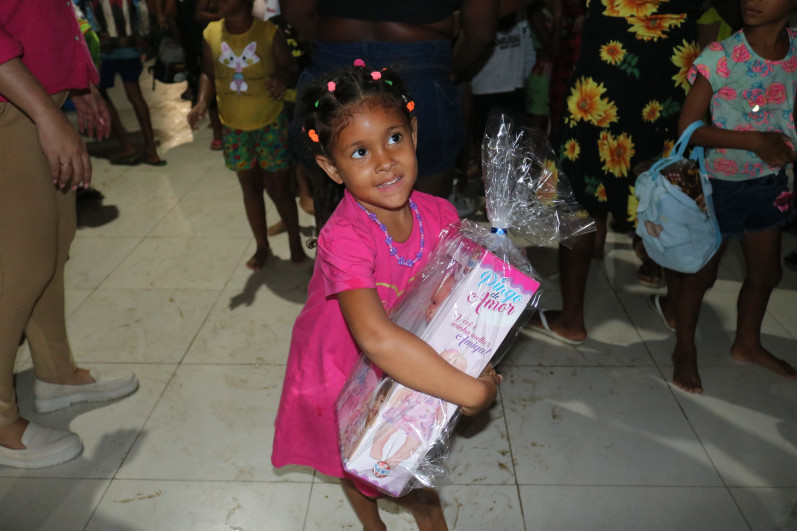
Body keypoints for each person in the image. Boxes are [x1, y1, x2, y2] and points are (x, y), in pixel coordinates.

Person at [271, 63, 501, 530]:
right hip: (340, 363)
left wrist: (475, 353)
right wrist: (469, 390)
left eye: (394, 138)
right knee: (352, 458)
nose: (384, 161)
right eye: (360, 151)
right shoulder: (344, 237)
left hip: (402, 354)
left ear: (413, 132)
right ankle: (372, 525)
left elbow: (451, 302)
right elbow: (375, 338)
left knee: (403, 471)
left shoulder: (441, 214)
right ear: (331, 168)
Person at [0, 0, 139, 468]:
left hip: (34, 97)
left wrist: (76, 84)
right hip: (11, 108)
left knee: (52, 251)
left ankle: (56, 373)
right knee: (18, 271)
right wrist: (46, 114)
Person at [527, 0, 701, 345]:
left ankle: (571, 319)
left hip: (611, 47)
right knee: (669, 184)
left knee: (581, 193)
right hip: (673, 52)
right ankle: (676, 308)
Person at [654, 0, 797, 394]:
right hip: (721, 185)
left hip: (771, 183)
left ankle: (747, 343)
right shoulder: (720, 56)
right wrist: (755, 141)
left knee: (767, 273)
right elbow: (689, 129)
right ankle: (684, 349)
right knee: (702, 274)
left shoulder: (794, 51)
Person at [281, 0, 499, 213]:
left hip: (334, 53)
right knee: (429, 213)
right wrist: (454, 67)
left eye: (395, 138)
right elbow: (480, 31)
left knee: (331, 207)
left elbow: (295, 10)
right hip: (421, 62)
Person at [187, 0, 307, 269]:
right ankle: (262, 245)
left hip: (270, 123)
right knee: (250, 189)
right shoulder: (211, 33)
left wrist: (281, 78)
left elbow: (291, 69)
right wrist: (201, 103)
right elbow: (208, 73)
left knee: (280, 189)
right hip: (234, 126)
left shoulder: (268, 33)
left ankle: (295, 242)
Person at [82, 0, 167, 166]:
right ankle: (151, 149)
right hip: (130, 46)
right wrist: (142, 39)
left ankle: (126, 144)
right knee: (135, 94)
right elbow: (141, 7)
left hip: (103, 48)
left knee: (101, 94)